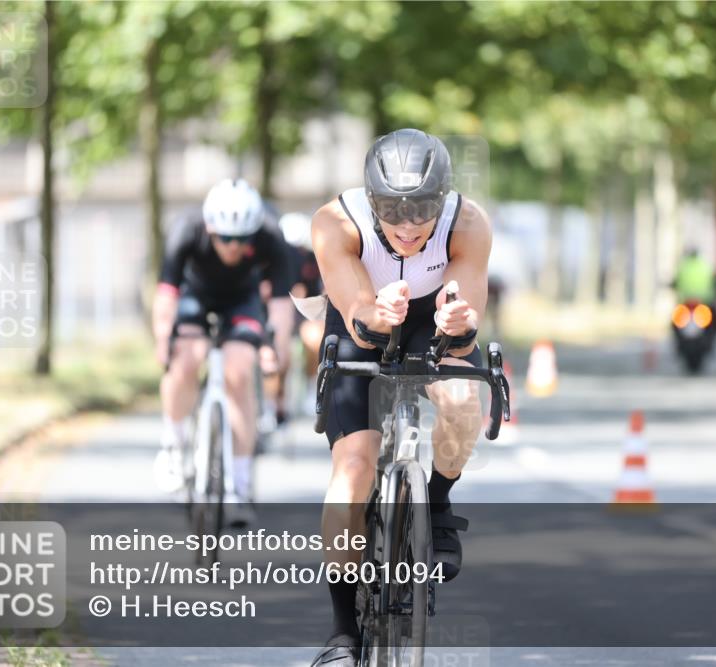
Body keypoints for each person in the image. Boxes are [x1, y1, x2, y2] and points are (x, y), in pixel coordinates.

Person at [309, 129, 492, 666]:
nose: (409, 226)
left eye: (422, 211)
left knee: (462, 404)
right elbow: (355, 308)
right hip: (360, 319)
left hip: (429, 322)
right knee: (353, 468)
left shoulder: (469, 224)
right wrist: (371, 317)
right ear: (371, 200)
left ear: (443, 199)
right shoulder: (334, 223)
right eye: (393, 210)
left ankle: (435, 504)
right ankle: (343, 631)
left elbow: (465, 327)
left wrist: (458, 324)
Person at [151, 178, 295, 518]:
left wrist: (277, 351)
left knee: (239, 372)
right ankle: (172, 445)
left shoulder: (272, 238)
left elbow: (280, 308)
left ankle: (239, 485)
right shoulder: (187, 229)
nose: (233, 247)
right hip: (194, 296)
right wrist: (162, 340)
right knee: (186, 359)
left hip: (242, 301)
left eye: (241, 239)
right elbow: (166, 295)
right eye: (225, 238)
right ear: (210, 228)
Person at [279, 212, 326, 415]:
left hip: (308, 311)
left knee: (314, 340)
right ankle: (276, 400)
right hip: (281, 310)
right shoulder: (275, 260)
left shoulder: (314, 259)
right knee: (277, 349)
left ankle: (311, 386)